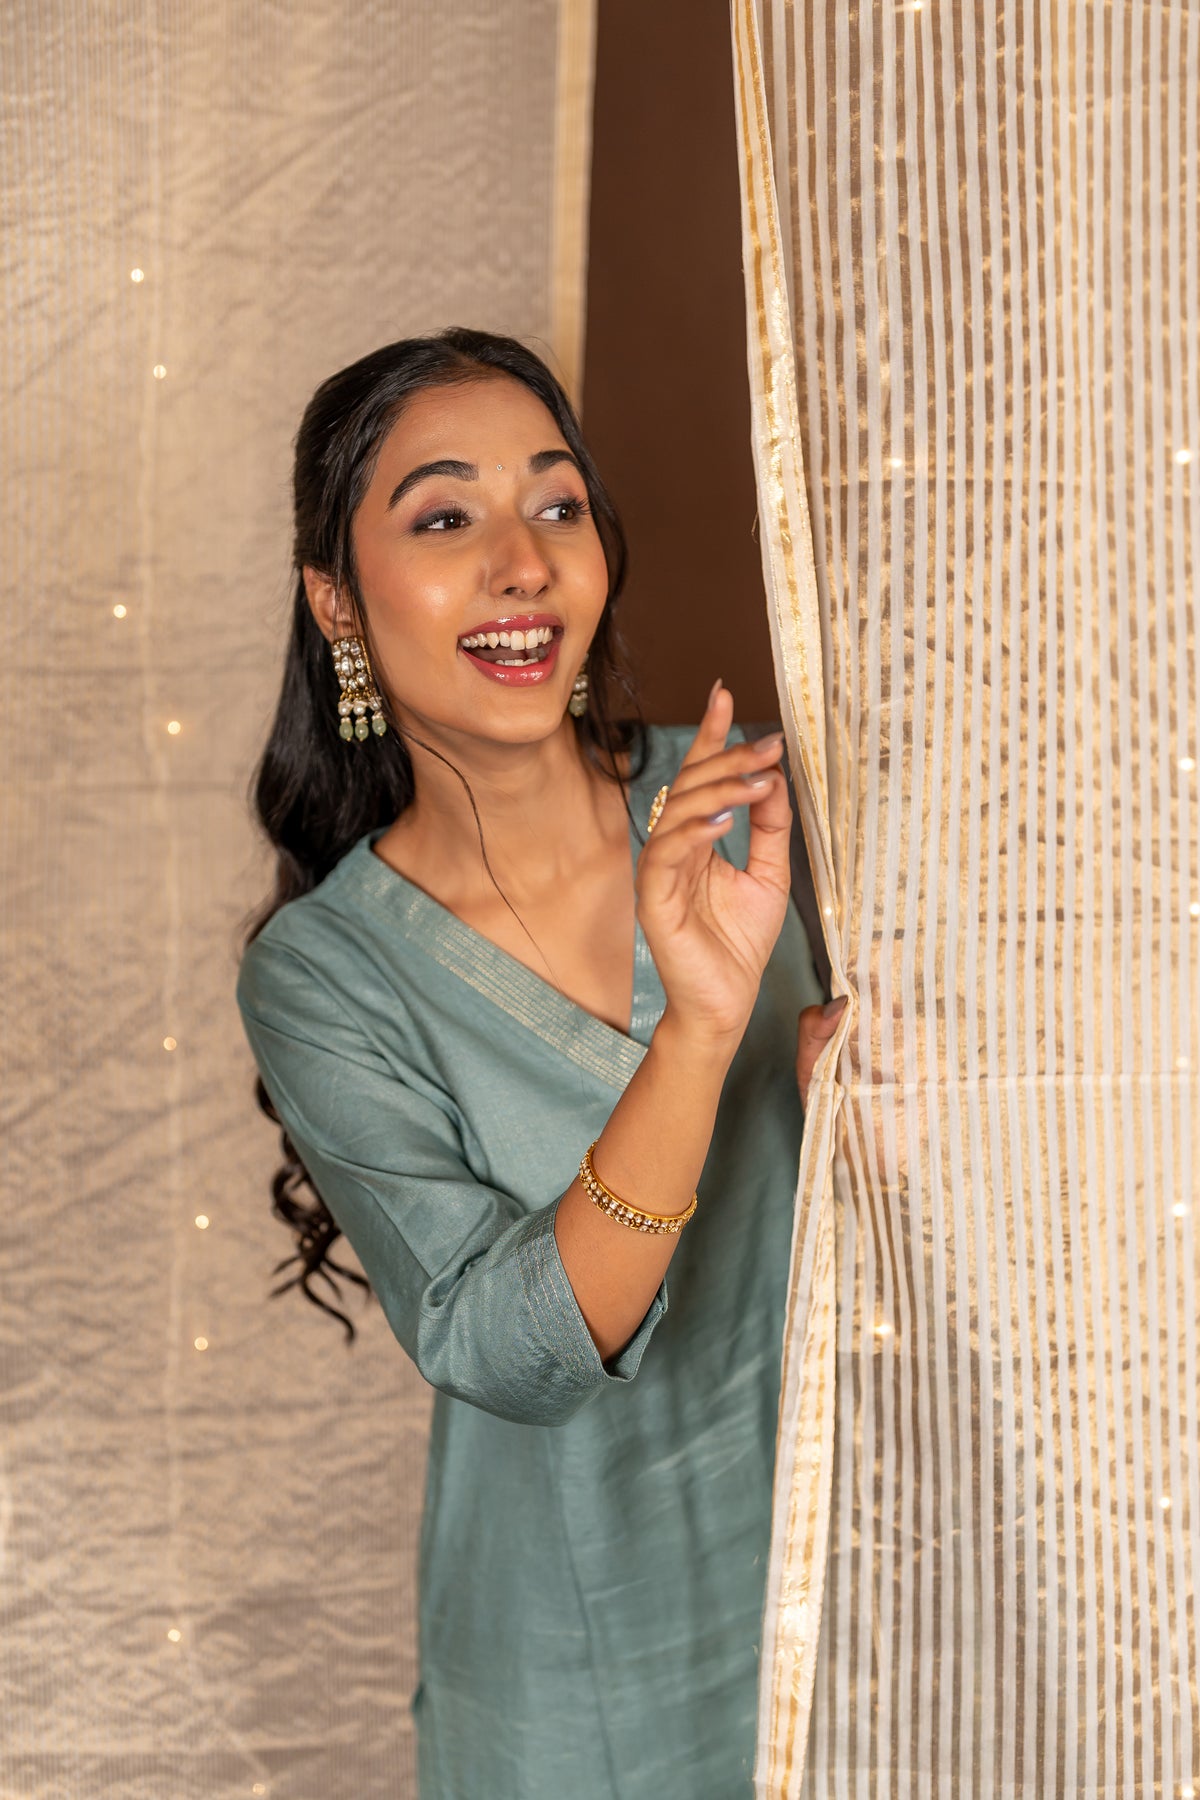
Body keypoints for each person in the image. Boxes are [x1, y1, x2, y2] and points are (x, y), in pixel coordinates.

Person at [236, 327, 845, 1799]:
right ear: (337, 599)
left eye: (557, 505)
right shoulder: (326, 974)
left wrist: (881, 1107)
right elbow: (504, 1352)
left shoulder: (775, 807)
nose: (522, 564)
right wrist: (700, 1033)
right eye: (445, 518)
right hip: (581, 1677)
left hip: (865, 1567)